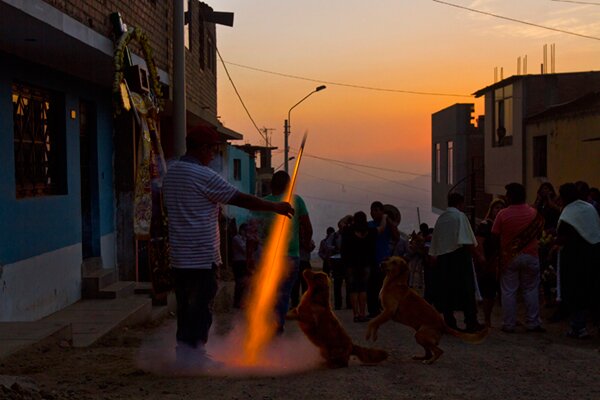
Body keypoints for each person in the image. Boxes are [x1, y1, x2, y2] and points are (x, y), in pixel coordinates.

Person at [162, 125, 294, 368]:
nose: (214, 155)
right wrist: (275, 207)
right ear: (202, 149)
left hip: (180, 257)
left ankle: (185, 355)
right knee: (201, 308)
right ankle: (195, 357)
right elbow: (241, 199)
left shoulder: (172, 173)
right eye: (212, 149)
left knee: (186, 307)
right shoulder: (202, 175)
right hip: (201, 257)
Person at [256, 171, 313, 333]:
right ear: (289, 185)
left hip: (269, 258)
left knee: (269, 292)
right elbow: (307, 227)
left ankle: (265, 326)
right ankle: (277, 327)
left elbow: (254, 233)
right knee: (284, 294)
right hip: (291, 256)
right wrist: (305, 244)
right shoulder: (296, 201)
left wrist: (251, 255)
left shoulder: (264, 203)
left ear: (272, 184)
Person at [491, 183, 545, 334]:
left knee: (509, 291)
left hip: (509, 257)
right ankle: (533, 323)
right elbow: (539, 234)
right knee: (531, 289)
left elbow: (495, 236)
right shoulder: (534, 213)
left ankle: (509, 324)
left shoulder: (502, 214)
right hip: (531, 256)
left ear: (509, 197)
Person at [429, 192, 484, 333]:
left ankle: (449, 322)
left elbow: (435, 244)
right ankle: (470, 321)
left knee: (447, 290)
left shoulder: (441, 219)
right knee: (466, 289)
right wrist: (478, 256)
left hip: (444, 259)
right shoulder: (460, 217)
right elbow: (467, 240)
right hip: (459, 257)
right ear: (460, 203)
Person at [556, 182, 600, 338]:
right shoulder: (589, 208)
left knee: (575, 292)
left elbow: (562, 237)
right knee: (588, 290)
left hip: (574, 258)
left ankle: (578, 326)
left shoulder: (568, 213)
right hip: (592, 255)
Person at [474, 198, 505, 327]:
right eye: (496, 207)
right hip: (489, 262)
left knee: (504, 291)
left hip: (502, 261)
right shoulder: (485, 225)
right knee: (489, 292)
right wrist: (482, 258)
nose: (498, 210)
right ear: (491, 210)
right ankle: (487, 319)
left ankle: (509, 317)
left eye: (501, 208)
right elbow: (479, 241)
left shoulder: (505, 224)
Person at [367, 201, 399, 318]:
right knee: (372, 287)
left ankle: (384, 308)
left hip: (384, 260)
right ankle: (373, 310)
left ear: (382, 211)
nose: (373, 213)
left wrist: (388, 220)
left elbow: (396, 237)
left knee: (384, 286)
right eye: (372, 210)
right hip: (371, 260)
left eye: (376, 210)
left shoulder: (388, 226)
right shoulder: (369, 225)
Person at [231, 223, 249, 309]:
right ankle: (237, 302)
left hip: (244, 262)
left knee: (245, 283)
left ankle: (243, 302)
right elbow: (245, 249)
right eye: (245, 230)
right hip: (238, 262)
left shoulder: (244, 239)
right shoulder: (236, 239)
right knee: (239, 283)